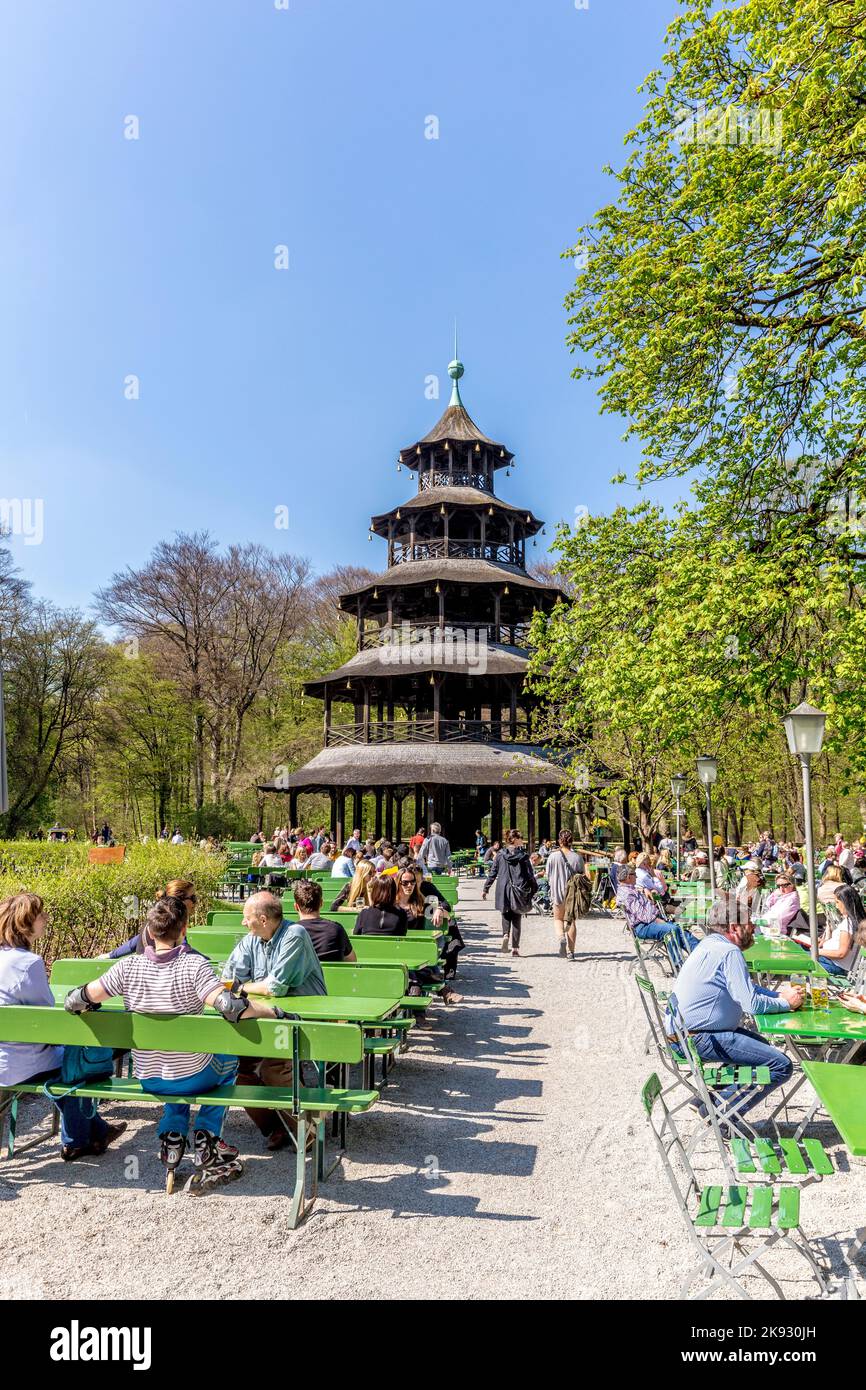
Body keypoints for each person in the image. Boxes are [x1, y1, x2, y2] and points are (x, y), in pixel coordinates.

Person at [66, 896, 283, 1188]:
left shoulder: (127, 967)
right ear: (184, 929)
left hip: (148, 1077)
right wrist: (274, 1011)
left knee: (168, 1061)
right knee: (227, 1059)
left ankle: (173, 1133)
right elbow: (231, 1007)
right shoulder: (195, 966)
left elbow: (76, 1000)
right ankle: (207, 1135)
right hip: (195, 1076)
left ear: (150, 932)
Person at [0, 892, 127, 1163]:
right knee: (77, 1064)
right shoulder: (29, 963)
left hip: (6, 1057)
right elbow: (49, 1023)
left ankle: (96, 1133)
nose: (46, 919)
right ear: (26, 923)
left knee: (69, 1060)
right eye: (41, 915)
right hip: (21, 1063)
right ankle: (78, 1141)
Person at [669, 893, 801, 1123]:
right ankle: (721, 1114)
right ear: (733, 927)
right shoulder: (729, 952)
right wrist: (785, 1003)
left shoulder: (709, 944)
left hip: (683, 1034)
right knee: (780, 1065)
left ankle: (705, 1099)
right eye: (749, 923)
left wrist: (778, 995)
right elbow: (751, 1004)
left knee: (760, 1046)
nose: (753, 928)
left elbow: (745, 988)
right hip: (697, 1038)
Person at [221, 891, 326, 1151]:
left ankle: (306, 1130)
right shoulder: (251, 940)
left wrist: (242, 987)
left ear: (264, 919)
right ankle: (276, 1126)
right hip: (264, 1018)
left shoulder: (295, 935)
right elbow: (229, 977)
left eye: (247, 918)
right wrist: (243, 986)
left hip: (302, 1021)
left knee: (273, 1069)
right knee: (236, 1069)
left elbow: (275, 988)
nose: (244, 923)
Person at [105, 879, 199, 958]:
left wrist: (111, 955)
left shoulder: (157, 916)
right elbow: (183, 951)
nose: (195, 902)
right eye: (193, 898)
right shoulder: (173, 922)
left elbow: (137, 940)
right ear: (180, 900)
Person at [482, 828, 538, 957]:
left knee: (505, 914)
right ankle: (515, 948)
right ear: (514, 839)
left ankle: (505, 934)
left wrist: (486, 888)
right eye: (520, 837)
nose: (521, 840)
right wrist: (534, 888)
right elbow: (529, 875)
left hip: (503, 888)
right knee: (517, 917)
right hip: (518, 888)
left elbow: (493, 872)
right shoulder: (523, 856)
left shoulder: (500, 854)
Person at [617, 865, 698, 952]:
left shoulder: (631, 889)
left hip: (648, 923)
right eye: (635, 874)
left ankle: (699, 951)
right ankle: (678, 963)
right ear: (629, 877)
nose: (636, 877)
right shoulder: (627, 894)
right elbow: (642, 915)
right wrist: (657, 920)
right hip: (643, 926)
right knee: (672, 930)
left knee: (680, 930)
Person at [792, 883, 863, 976]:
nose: (836, 906)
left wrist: (817, 951)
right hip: (831, 961)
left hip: (836, 965)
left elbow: (841, 953)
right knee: (796, 952)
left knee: (796, 957)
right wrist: (824, 940)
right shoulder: (854, 920)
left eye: (837, 902)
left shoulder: (849, 924)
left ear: (846, 902)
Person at [546, 830, 585, 960]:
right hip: (572, 894)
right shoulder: (577, 857)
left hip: (557, 892)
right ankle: (571, 952)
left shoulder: (552, 856)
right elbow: (581, 874)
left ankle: (561, 937)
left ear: (559, 841)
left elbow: (548, 875)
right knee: (571, 921)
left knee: (558, 919)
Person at [294, 880, 355, 963]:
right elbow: (352, 960)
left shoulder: (288, 932)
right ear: (321, 903)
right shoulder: (336, 929)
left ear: (296, 907)